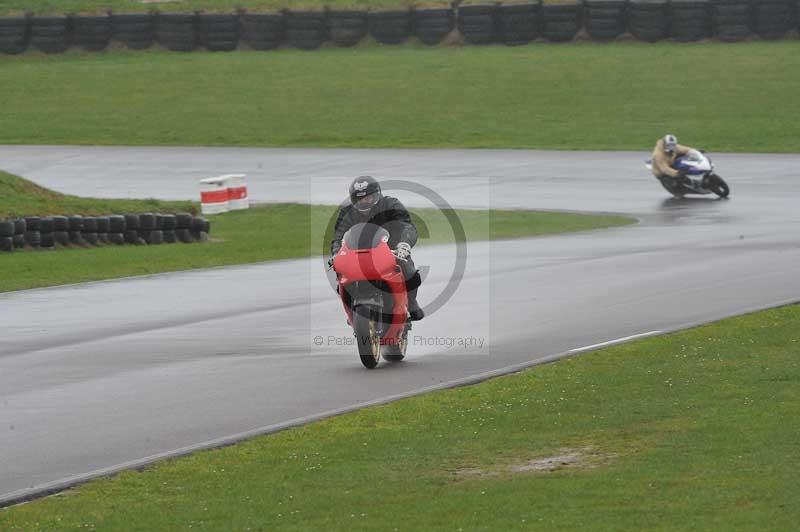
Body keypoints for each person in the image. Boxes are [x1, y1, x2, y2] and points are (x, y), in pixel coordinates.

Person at [329, 176, 425, 321]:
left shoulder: (391, 204)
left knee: (410, 272)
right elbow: (338, 236)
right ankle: (352, 311)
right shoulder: (347, 213)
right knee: (341, 278)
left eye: (368, 197)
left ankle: (411, 303)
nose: (364, 201)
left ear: (378, 194)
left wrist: (404, 244)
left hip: (391, 250)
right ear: (354, 200)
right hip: (358, 254)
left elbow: (407, 226)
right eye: (360, 199)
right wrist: (337, 253)